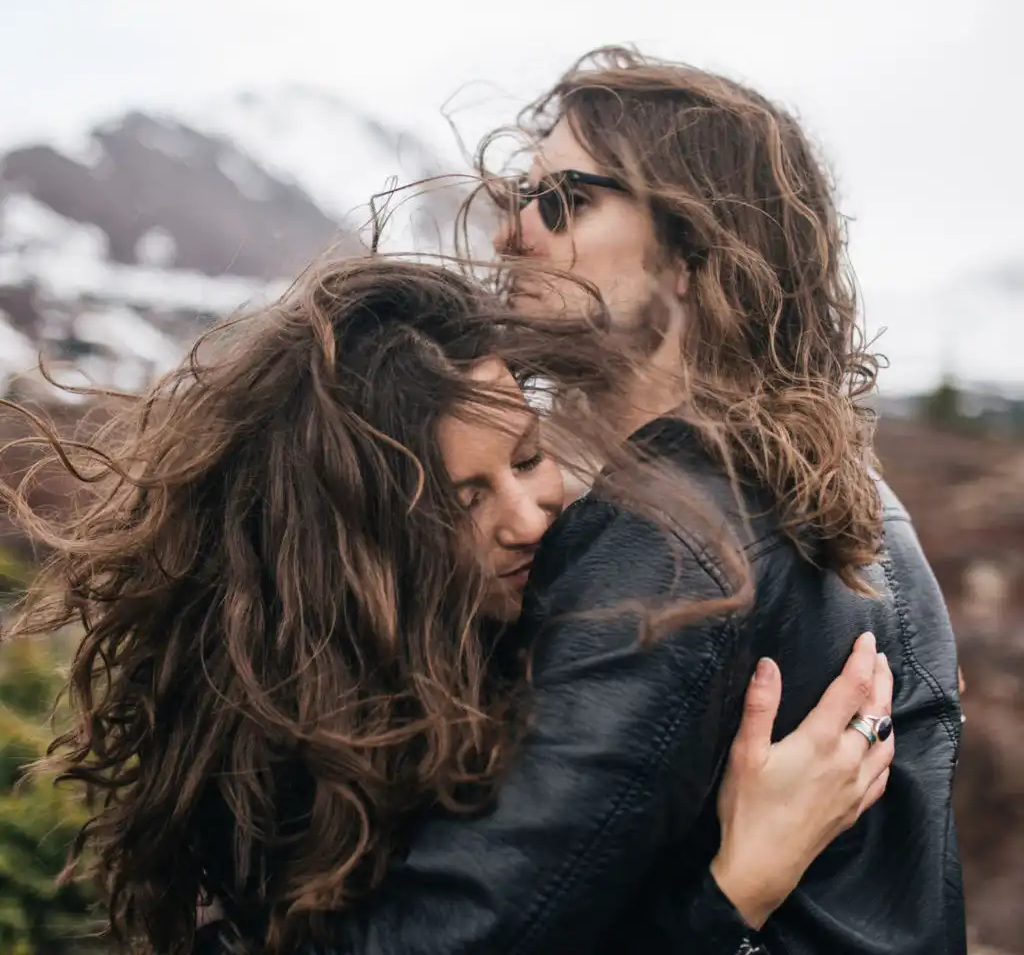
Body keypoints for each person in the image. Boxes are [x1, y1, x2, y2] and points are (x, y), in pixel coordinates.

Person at [2, 257, 893, 955]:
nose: (528, 516)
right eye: (462, 501)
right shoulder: (293, 748)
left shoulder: (537, 639)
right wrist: (735, 889)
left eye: (530, 456)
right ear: (357, 543)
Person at [283, 48, 964, 954]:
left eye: (564, 200)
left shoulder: (674, 537)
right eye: (516, 197)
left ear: (693, 252)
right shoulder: (853, 495)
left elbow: (464, 934)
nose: (510, 235)